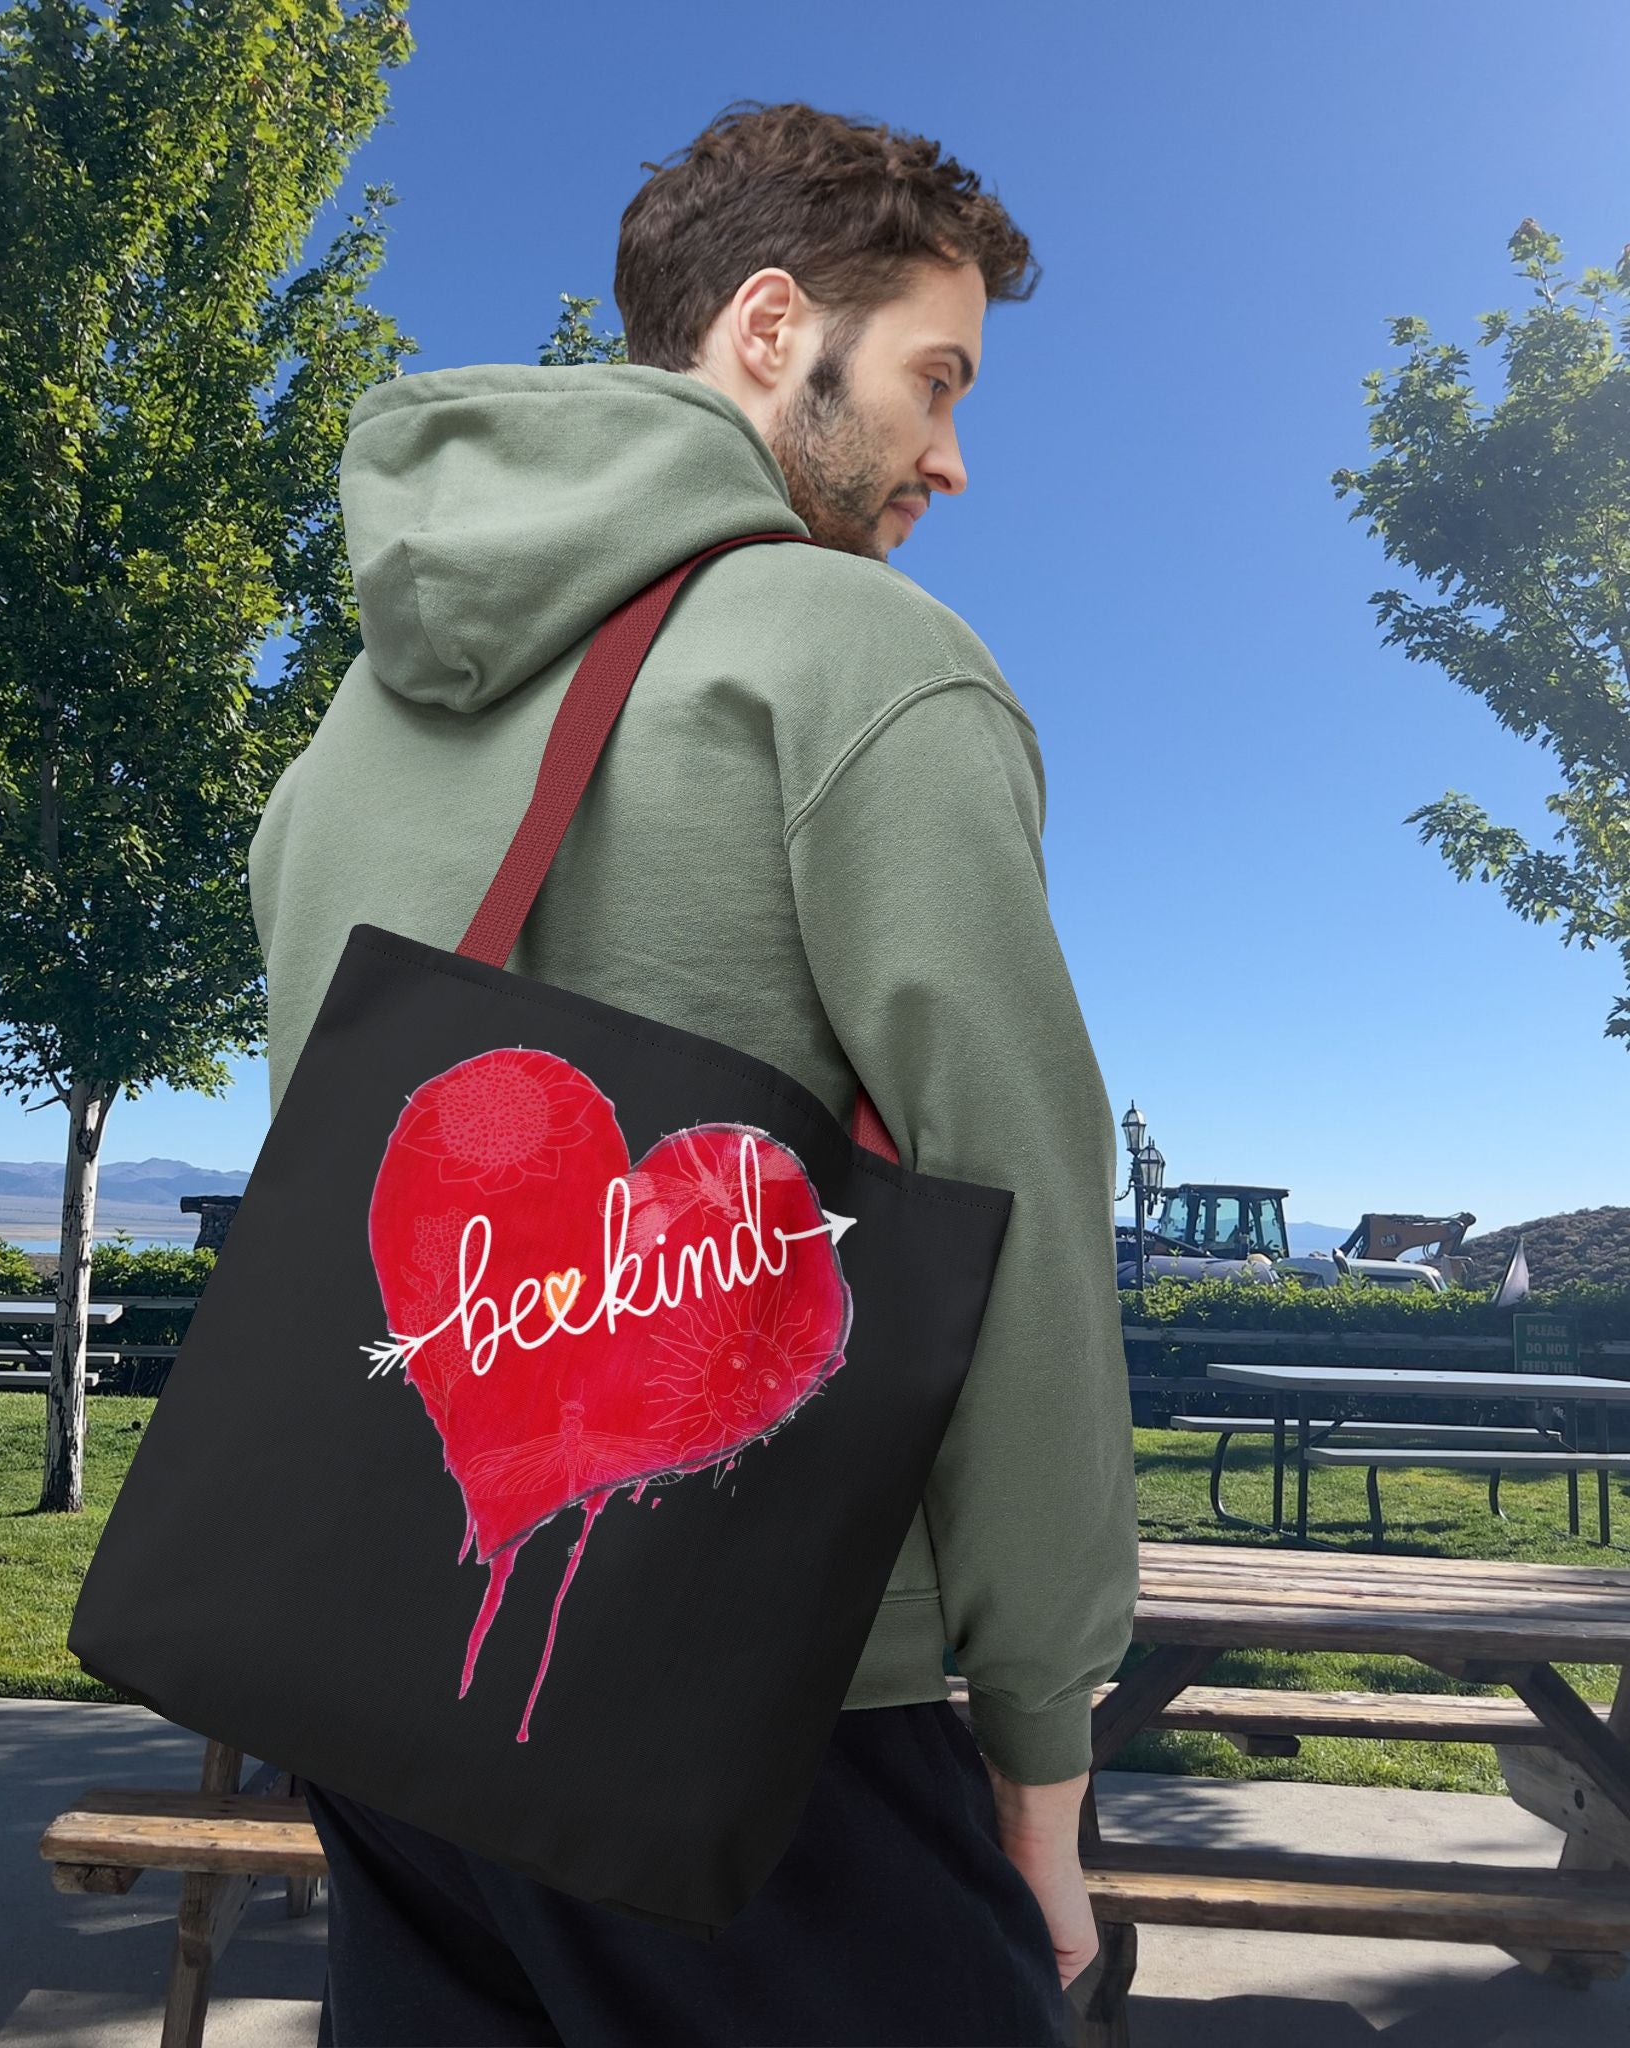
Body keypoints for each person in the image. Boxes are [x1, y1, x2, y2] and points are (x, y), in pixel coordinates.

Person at [247, 97, 1139, 2048]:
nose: (953, 457)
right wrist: (1042, 1744)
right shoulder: (850, 660)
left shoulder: (349, 736)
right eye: (930, 377)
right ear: (763, 329)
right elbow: (1020, 1224)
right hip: (785, 1722)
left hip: (400, 1690)